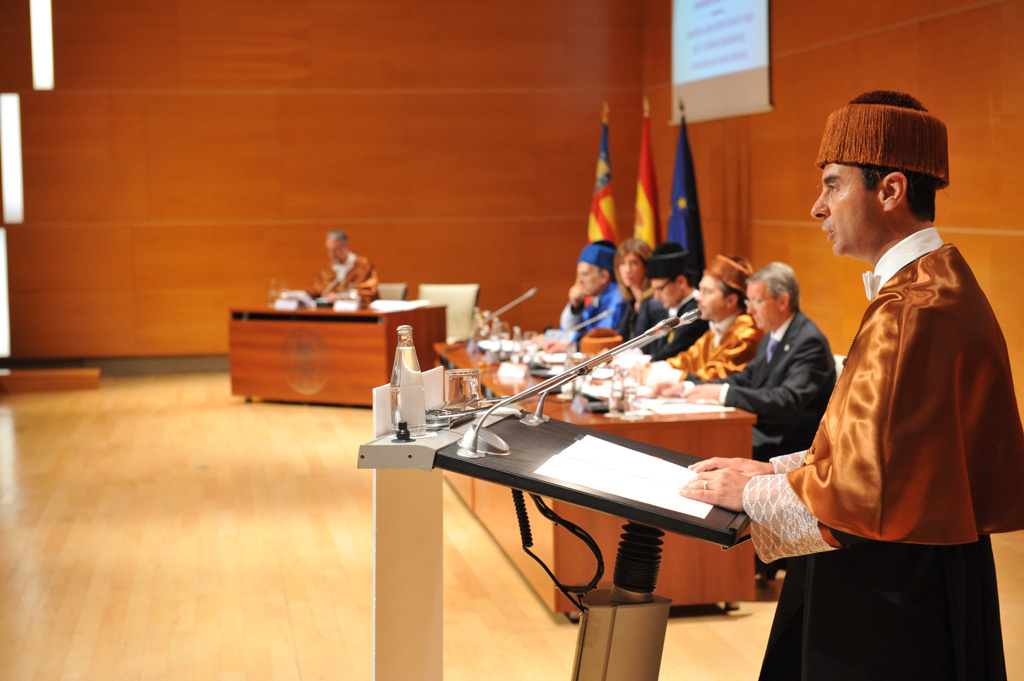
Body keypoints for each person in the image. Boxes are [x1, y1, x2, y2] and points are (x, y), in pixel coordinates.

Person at [681, 91, 1024, 680]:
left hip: (891, 594)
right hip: (913, 565)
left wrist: (753, 494)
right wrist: (774, 470)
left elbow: (867, 494)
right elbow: (886, 453)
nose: (818, 207)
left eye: (833, 185)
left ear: (890, 191)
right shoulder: (935, 285)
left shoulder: (913, 308)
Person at [677, 262, 836, 463]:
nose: (750, 310)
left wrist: (724, 394)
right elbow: (745, 378)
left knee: (707, 442)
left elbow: (785, 400)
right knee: (699, 437)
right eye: (748, 301)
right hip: (764, 434)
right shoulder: (772, 336)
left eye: (757, 301)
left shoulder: (808, 341)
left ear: (782, 302)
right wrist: (690, 386)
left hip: (790, 447)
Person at [647, 254, 763, 386]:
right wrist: (651, 368)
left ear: (730, 300)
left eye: (707, 292)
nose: (698, 297)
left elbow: (714, 379)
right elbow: (687, 360)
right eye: (700, 289)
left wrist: (656, 376)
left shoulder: (746, 332)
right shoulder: (715, 329)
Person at [547, 240, 628, 350]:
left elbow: (600, 339)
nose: (578, 281)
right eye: (577, 275)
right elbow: (570, 330)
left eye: (584, 274)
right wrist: (575, 306)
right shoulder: (597, 298)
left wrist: (568, 346)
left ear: (604, 277)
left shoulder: (617, 298)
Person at [642, 242, 709, 360]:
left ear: (681, 282)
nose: (656, 297)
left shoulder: (695, 314)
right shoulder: (672, 309)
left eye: (660, 289)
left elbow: (669, 356)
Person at [613, 238, 667, 341]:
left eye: (633, 263)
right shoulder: (632, 302)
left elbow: (652, 344)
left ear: (646, 266)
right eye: (622, 263)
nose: (627, 270)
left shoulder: (655, 303)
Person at [309, 230, 379, 306]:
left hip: (360, 310)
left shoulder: (363, 265)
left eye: (335, 249)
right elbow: (319, 290)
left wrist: (341, 297)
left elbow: (367, 292)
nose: (332, 254)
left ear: (346, 246)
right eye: (329, 250)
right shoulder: (329, 268)